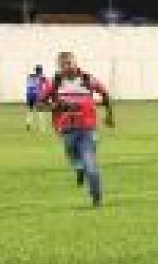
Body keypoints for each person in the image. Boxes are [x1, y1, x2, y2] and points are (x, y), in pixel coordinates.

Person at [38, 51, 114, 207]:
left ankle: (96, 196)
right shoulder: (56, 82)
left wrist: (109, 115)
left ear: (75, 63)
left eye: (69, 63)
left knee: (90, 163)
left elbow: (105, 93)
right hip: (66, 129)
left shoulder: (87, 79)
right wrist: (58, 106)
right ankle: (79, 169)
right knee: (73, 157)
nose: (67, 67)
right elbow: (40, 104)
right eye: (63, 64)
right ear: (59, 67)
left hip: (87, 128)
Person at [25, 64, 48, 130]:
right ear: (40, 70)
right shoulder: (42, 77)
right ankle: (42, 126)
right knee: (40, 110)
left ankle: (28, 123)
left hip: (29, 94)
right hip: (36, 94)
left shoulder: (30, 76)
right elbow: (45, 86)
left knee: (30, 109)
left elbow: (29, 84)